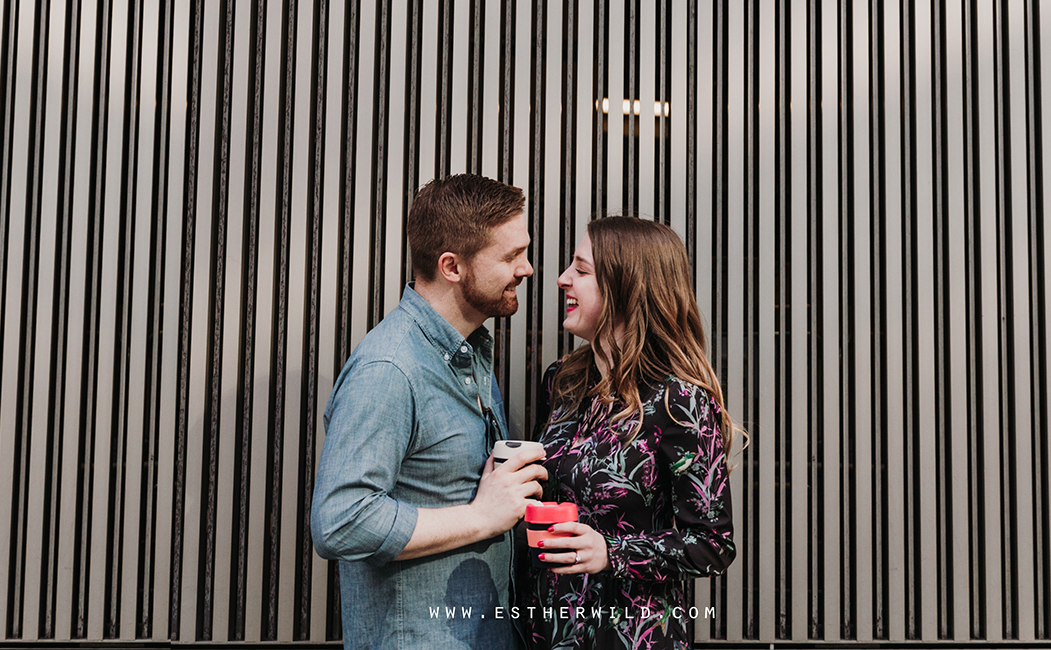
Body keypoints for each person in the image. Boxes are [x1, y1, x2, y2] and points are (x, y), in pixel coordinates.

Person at [312, 175, 551, 650]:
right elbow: (340, 521)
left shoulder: (470, 353)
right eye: (510, 256)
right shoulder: (390, 369)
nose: (527, 268)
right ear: (452, 267)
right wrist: (482, 517)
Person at [517, 216, 742, 650]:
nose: (562, 279)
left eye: (582, 271)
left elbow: (713, 546)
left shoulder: (679, 401)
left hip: (630, 637)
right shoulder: (561, 383)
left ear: (627, 288)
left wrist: (612, 552)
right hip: (548, 632)